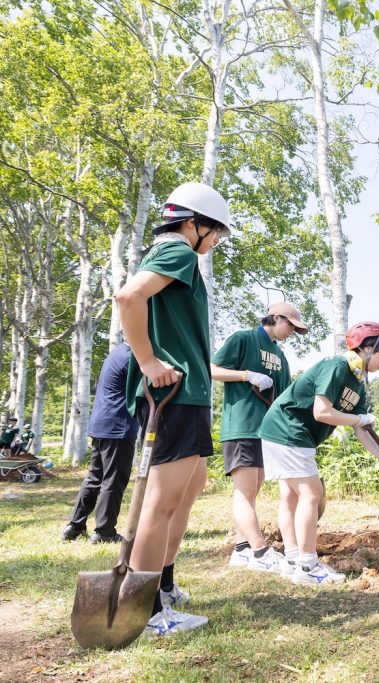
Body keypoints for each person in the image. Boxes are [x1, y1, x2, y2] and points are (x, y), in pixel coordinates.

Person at [116, 181, 232, 637]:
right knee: (162, 502)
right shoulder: (178, 251)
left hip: (189, 395)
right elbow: (129, 297)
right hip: (175, 395)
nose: (217, 240)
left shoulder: (178, 255)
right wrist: (147, 360)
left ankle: (162, 583)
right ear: (193, 224)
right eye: (216, 231)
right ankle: (144, 613)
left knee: (190, 485)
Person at [259, 321, 379, 585]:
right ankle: (307, 566)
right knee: (311, 493)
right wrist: (358, 419)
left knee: (291, 496)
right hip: (288, 428)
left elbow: (362, 428)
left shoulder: (358, 384)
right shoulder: (337, 367)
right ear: (368, 348)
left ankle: (293, 560)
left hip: (287, 432)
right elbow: (322, 412)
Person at [211, 302, 307, 572]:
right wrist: (245, 375)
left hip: (266, 430)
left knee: (254, 490)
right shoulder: (244, 339)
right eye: (290, 325)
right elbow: (211, 369)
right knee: (244, 491)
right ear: (275, 318)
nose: (292, 332)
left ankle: (242, 550)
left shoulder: (280, 355)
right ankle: (260, 551)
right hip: (241, 425)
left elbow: (287, 395)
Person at [62, 343, 139, 544]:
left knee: (94, 477)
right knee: (113, 480)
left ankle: (74, 526)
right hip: (118, 427)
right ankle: (104, 532)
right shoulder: (133, 357)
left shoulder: (117, 352)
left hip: (102, 423)